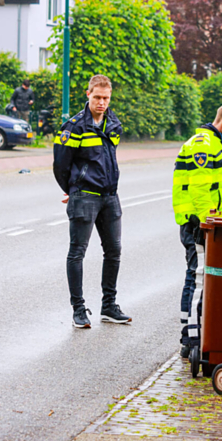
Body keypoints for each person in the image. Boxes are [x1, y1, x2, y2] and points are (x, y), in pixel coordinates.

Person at [53, 74, 130, 329]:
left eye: (106, 98)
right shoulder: (73, 126)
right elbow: (60, 165)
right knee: (77, 253)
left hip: (110, 197)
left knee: (114, 251)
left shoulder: (114, 124)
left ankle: (108, 306)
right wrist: (73, 188)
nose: (102, 102)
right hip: (85, 196)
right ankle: (78, 309)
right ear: (88, 95)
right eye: (97, 97)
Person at [172, 101, 222, 354]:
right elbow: (200, 191)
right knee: (196, 278)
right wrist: (209, 224)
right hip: (199, 225)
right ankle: (191, 338)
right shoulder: (203, 146)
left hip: (205, 224)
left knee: (201, 277)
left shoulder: (214, 144)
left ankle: (193, 332)